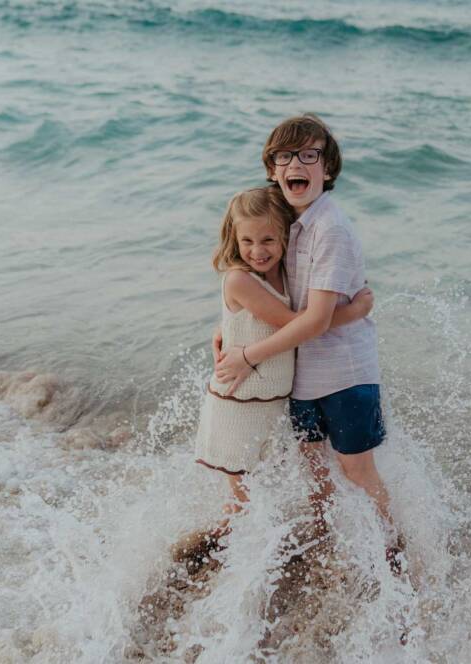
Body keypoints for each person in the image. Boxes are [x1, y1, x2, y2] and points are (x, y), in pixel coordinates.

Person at [213, 114, 404, 572]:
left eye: (309, 155)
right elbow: (258, 285)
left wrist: (245, 356)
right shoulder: (287, 222)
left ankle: (393, 550)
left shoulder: (330, 228)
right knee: (315, 471)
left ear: (328, 167)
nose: (295, 163)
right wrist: (227, 329)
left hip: (344, 375)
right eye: (284, 156)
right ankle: (323, 542)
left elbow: (316, 321)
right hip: (301, 376)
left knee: (357, 471)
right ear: (274, 170)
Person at [172, 186, 372, 565]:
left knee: (265, 485)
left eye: (268, 239)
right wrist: (354, 313)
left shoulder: (282, 271)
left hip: (270, 401)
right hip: (239, 403)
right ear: (234, 238)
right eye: (247, 240)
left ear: (284, 236)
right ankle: (209, 554)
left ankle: (289, 544)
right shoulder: (240, 280)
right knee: (242, 496)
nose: (257, 250)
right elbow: (297, 323)